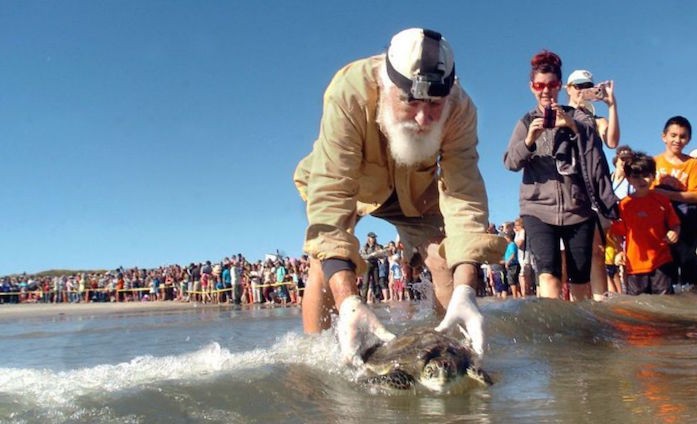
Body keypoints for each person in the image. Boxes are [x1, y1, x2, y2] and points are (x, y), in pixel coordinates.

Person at [293, 28, 505, 365]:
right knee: (325, 260)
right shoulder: (349, 91)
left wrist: (467, 290)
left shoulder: (461, 110)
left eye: (435, 104)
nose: (423, 119)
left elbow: (465, 197)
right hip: (352, 185)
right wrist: (349, 300)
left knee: (445, 260)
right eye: (411, 101)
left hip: (416, 193)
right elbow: (331, 196)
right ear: (387, 85)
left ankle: (451, 355)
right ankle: (317, 363)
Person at [503, 50, 618, 302]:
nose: (546, 91)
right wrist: (530, 141)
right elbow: (510, 162)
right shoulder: (525, 121)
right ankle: (555, 336)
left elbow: (600, 151)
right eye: (539, 85)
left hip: (578, 210)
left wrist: (573, 127)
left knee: (580, 280)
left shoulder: (578, 116)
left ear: (560, 86)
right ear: (531, 87)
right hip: (537, 210)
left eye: (552, 85)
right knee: (549, 276)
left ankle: (584, 336)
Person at [566, 70, 621, 300]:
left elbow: (612, 141)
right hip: (570, 190)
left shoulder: (598, 120)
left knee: (598, 252)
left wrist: (611, 105)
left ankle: (600, 303)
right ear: (568, 88)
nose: (582, 90)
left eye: (587, 86)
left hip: (594, 191)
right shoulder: (562, 114)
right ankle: (578, 304)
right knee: (572, 257)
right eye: (578, 86)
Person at [610, 152, 680, 295]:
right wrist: (619, 252)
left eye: (646, 175)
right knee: (638, 306)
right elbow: (617, 233)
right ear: (628, 179)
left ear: (654, 176)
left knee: (664, 301)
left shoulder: (663, 200)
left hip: (661, 261)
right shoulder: (624, 205)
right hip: (634, 265)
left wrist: (674, 232)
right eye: (635, 176)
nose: (641, 180)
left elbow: (675, 224)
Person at [653, 116, 697, 289]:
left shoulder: (692, 164)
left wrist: (668, 194)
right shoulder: (654, 162)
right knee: (665, 266)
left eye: (682, 136)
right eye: (673, 135)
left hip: (687, 221)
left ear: (688, 139)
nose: (677, 140)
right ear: (664, 136)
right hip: (660, 222)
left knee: (687, 262)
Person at [359, 232, 385, 303]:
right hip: (367, 265)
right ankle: (364, 300)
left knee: (376, 283)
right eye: (372, 237)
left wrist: (380, 253)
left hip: (375, 265)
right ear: (368, 238)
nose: (373, 239)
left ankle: (377, 299)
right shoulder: (364, 247)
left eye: (374, 237)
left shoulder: (378, 246)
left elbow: (382, 256)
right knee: (365, 283)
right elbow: (363, 256)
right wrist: (372, 255)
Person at [503, 231, 521, 298]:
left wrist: (507, 262)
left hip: (513, 265)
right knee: (514, 281)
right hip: (511, 265)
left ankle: (514, 296)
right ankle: (518, 296)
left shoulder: (512, 244)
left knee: (512, 281)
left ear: (508, 238)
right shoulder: (509, 245)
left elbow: (513, 255)